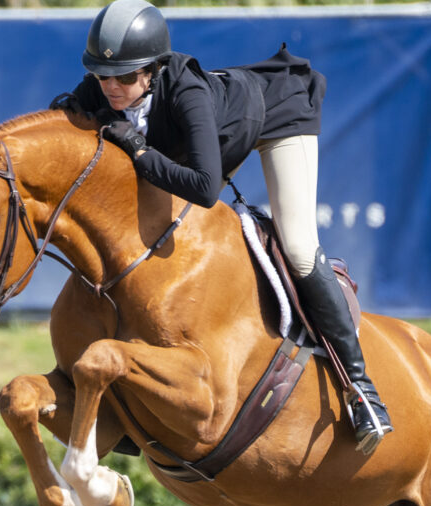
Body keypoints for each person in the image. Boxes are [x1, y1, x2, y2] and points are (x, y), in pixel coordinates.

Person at [54, 0, 392, 451]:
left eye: (125, 77)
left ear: (152, 70)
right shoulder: (104, 85)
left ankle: (361, 390)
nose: (111, 87)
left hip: (280, 117)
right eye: (102, 76)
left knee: (296, 244)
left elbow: (203, 187)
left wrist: (138, 150)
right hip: (221, 119)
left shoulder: (185, 94)